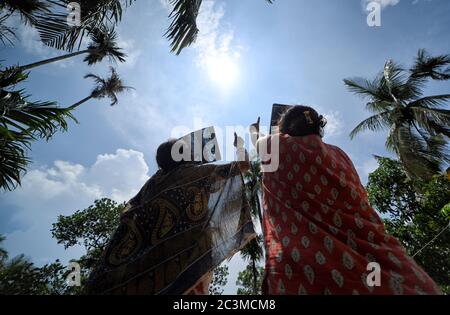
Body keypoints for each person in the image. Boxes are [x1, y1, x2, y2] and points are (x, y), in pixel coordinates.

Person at [250, 105, 442, 295]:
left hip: (304, 270)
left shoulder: (278, 146)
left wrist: (253, 130)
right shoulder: (340, 155)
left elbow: (257, 142)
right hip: (392, 267)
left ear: (285, 130)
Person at [87, 134, 255, 295]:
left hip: (137, 273)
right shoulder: (194, 173)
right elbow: (243, 165)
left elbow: (129, 212)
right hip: (184, 265)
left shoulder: (151, 184)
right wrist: (239, 145)